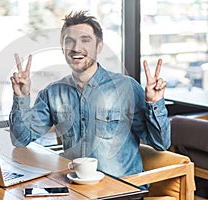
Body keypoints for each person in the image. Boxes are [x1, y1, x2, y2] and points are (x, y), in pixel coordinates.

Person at [9, 11, 170, 182]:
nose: (76, 48)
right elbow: (21, 139)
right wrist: (21, 97)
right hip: (74, 190)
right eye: (69, 41)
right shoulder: (53, 92)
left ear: (99, 46)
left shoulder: (126, 88)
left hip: (121, 192)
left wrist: (155, 103)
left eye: (85, 40)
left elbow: (160, 144)